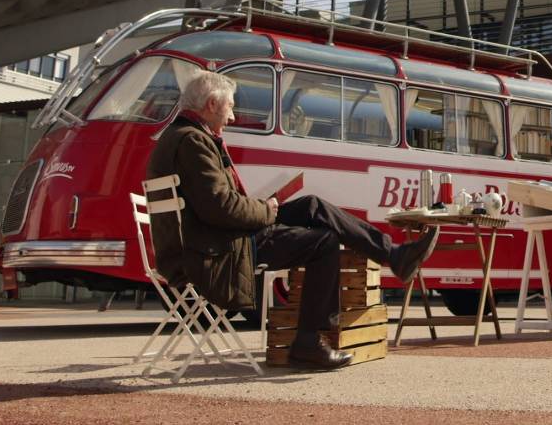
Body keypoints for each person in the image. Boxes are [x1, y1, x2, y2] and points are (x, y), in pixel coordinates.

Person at [146, 71, 439, 370]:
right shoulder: (193, 142)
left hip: (213, 241)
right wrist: (266, 210)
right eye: (230, 107)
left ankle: (394, 254)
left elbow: (216, 206)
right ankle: (308, 343)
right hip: (217, 252)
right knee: (324, 242)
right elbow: (221, 208)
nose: (232, 117)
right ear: (211, 104)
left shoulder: (179, 137)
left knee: (312, 205)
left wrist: (264, 208)